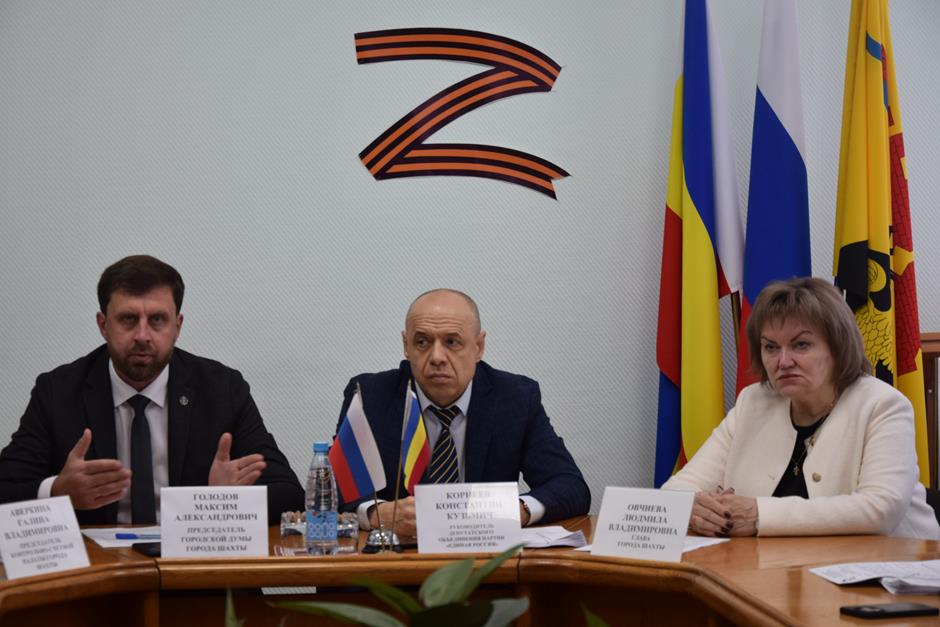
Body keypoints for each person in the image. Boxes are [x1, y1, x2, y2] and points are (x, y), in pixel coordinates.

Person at [0, 255, 303, 524]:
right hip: (99, 567)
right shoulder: (58, 392)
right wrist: (57, 491)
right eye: (128, 319)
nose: (142, 335)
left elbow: (290, 495)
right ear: (103, 325)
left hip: (188, 565)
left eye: (157, 320)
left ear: (177, 326)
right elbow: (6, 488)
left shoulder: (222, 389)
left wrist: (221, 502)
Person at [662, 277, 939, 539]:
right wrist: (695, 508)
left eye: (801, 345)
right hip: (774, 567)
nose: (783, 362)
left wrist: (759, 515)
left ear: (837, 348)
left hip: (893, 566)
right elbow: (676, 490)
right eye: (771, 347)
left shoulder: (882, 405)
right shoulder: (752, 403)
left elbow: (880, 508)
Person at [337, 289, 590, 535]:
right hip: (396, 559)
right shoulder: (369, 397)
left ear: (478, 347)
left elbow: (570, 486)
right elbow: (333, 491)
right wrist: (378, 514)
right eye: (422, 342)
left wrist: (517, 510)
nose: (437, 357)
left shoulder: (515, 398)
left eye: (452, 342)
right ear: (406, 346)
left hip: (484, 557)